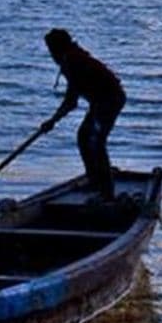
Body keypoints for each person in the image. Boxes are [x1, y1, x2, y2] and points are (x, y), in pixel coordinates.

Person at [39, 28, 126, 199]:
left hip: (110, 100)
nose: (51, 55)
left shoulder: (73, 62)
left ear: (58, 48)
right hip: (99, 102)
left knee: (96, 141)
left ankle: (106, 192)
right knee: (84, 136)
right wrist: (53, 120)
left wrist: (53, 121)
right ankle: (95, 180)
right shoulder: (71, 59)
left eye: (51, 50)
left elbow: (71, 101)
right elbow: (71, 100)